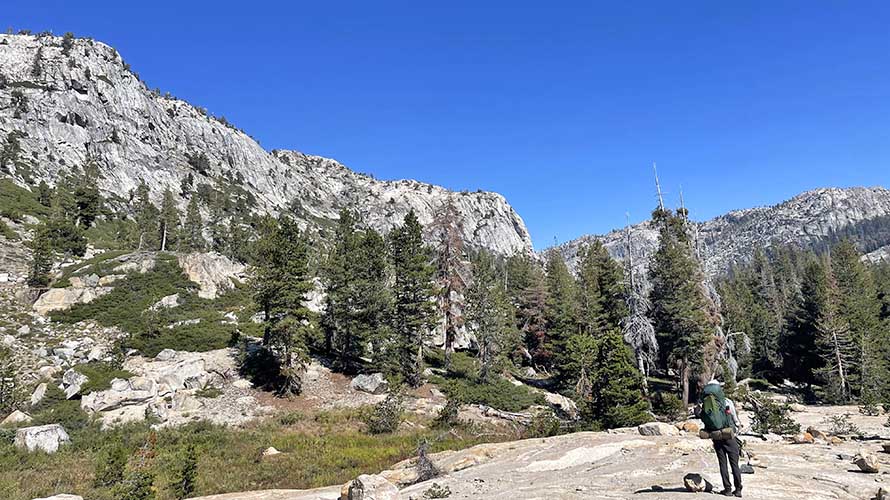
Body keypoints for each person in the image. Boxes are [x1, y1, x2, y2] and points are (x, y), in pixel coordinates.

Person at [700, 379, 742, 497]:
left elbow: (703, 418)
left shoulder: (705, 404)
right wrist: (737, 429)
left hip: (716, 436)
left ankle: (727, 489)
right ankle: (738, 489)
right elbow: (735, 419)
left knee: (722, 463)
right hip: (729, 435)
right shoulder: (727, 402)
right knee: (734, 464)